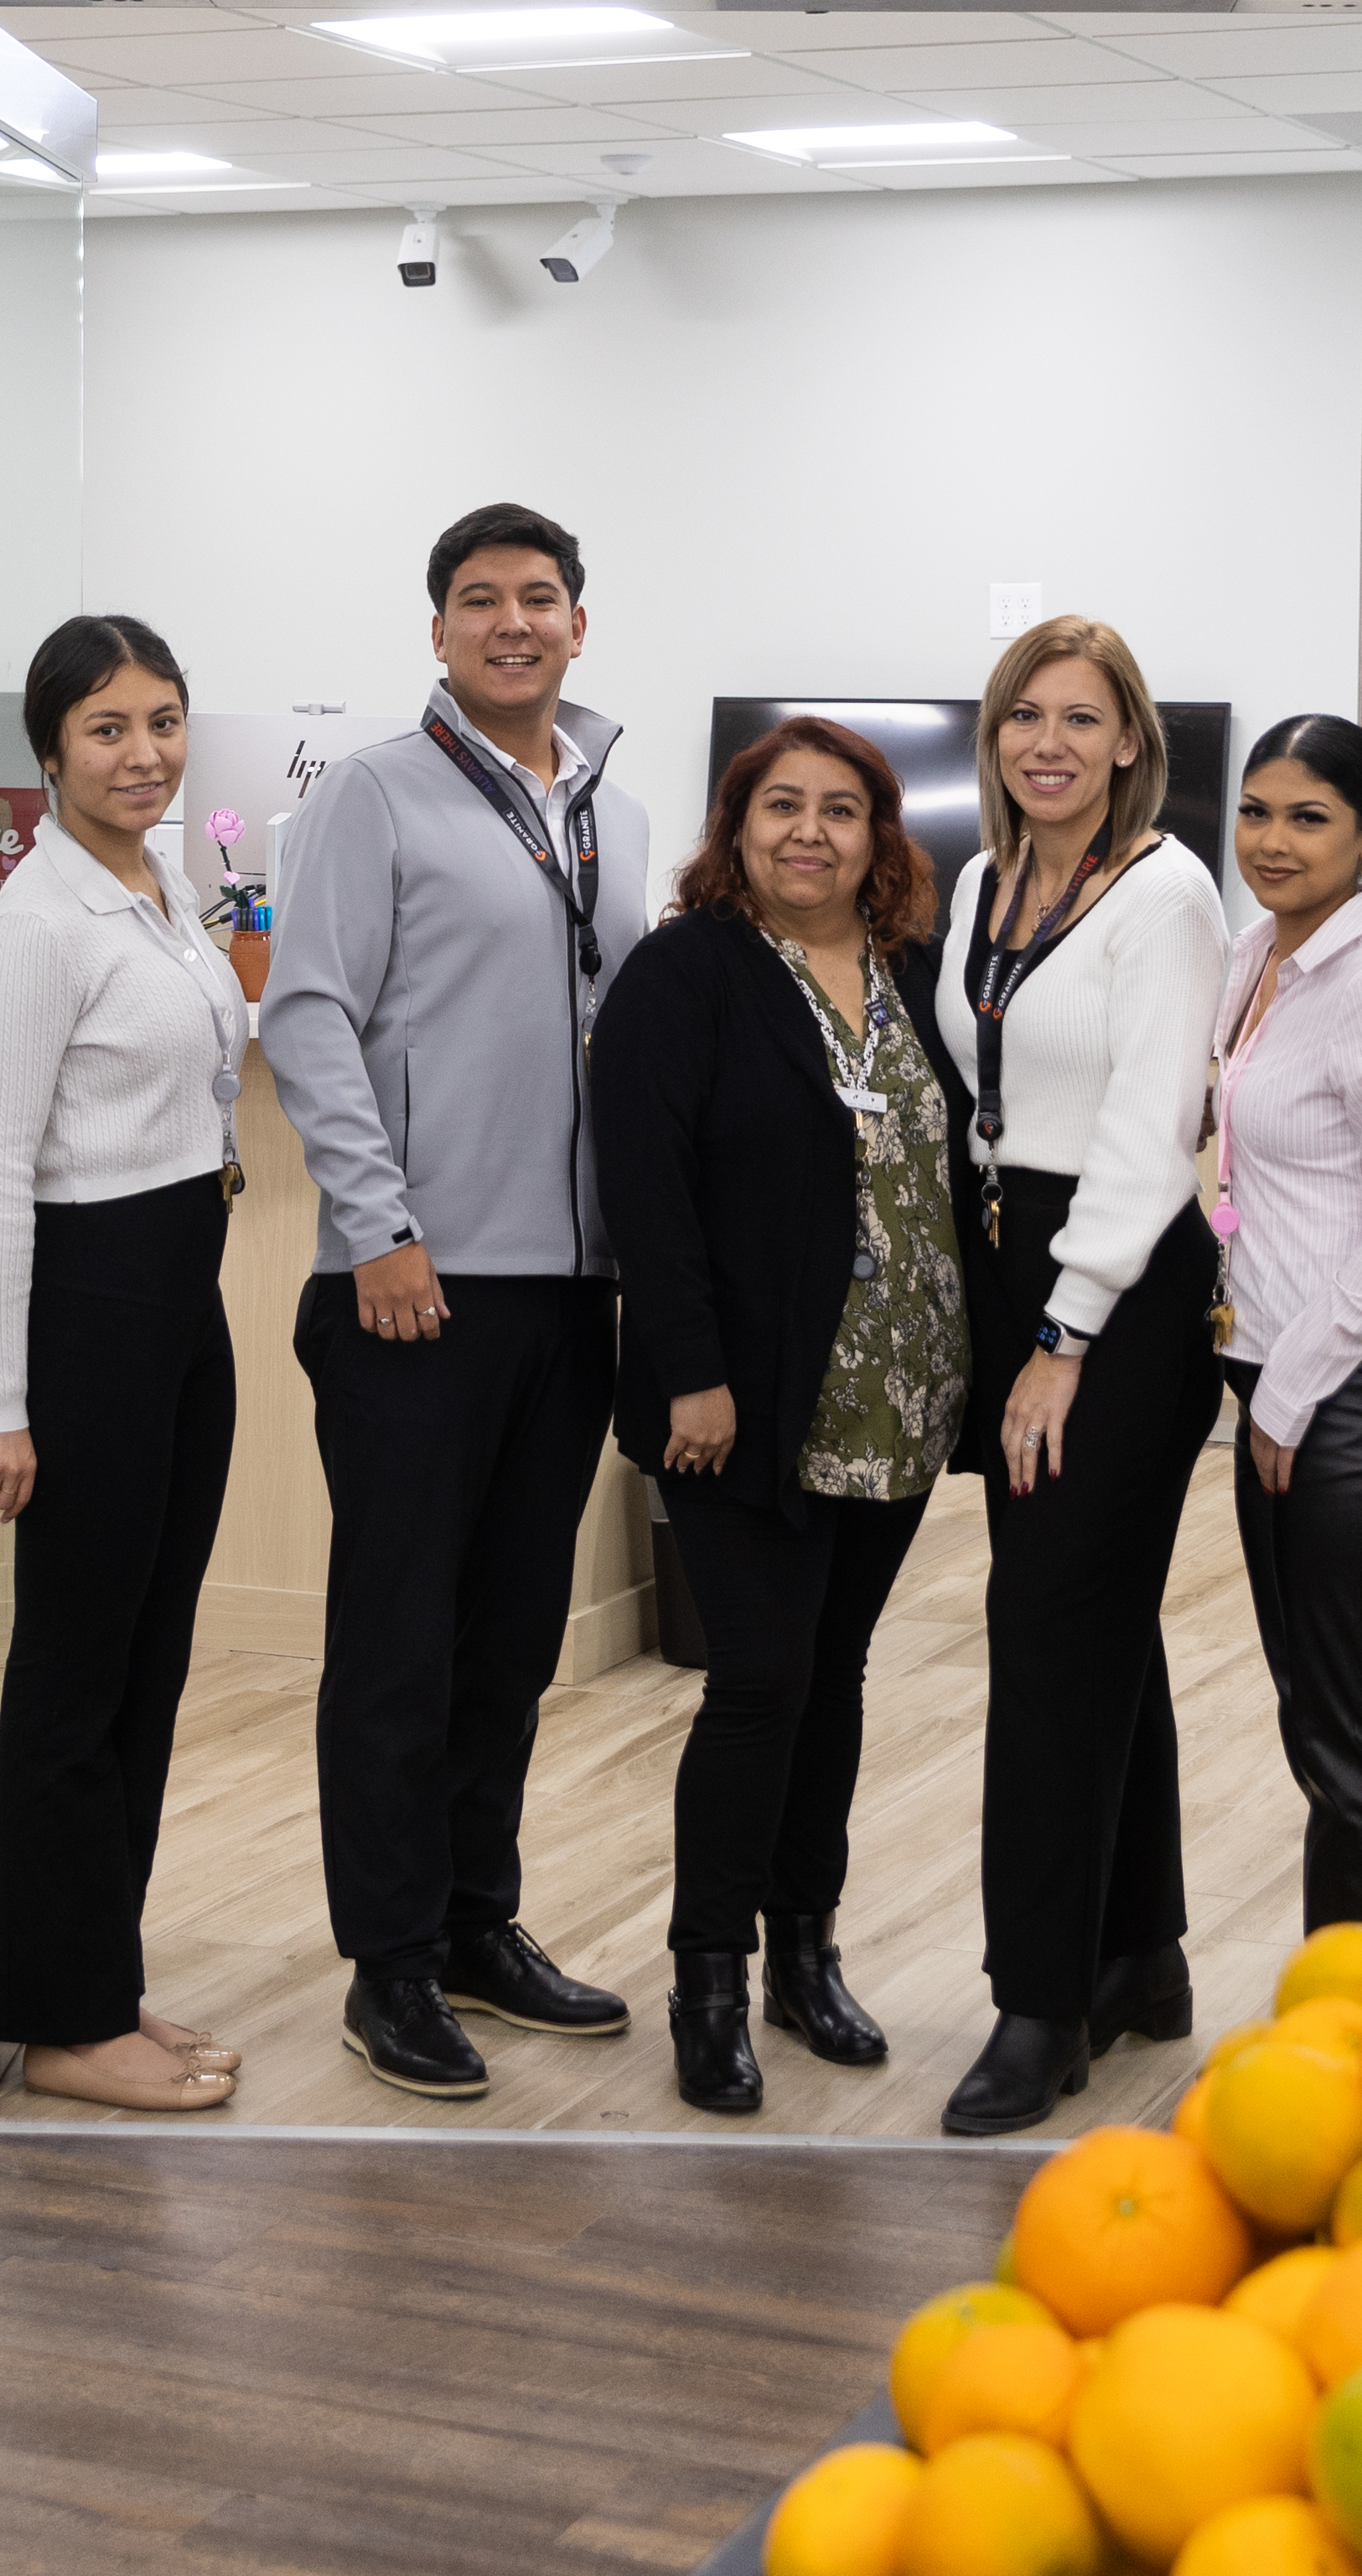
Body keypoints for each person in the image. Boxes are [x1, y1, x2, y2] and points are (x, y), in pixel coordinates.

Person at [260, 501, 656, 2100]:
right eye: (479, 600)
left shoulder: (612, 811)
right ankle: (392, 1962)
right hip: (413, 1291)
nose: (512, 623)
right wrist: (381, 1228)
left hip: (569, 1290)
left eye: (538, 598)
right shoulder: (372, 794)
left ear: (578, 624)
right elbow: (306, 1015)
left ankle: (479, 1920)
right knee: (399, 1646)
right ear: (438, 631)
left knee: (510, 1640)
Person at [588, 718, 967, 2114]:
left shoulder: (911, 971)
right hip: (745, 1404)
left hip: (897, 1396)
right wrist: (690, 1367)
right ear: (737, 827)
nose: (810, 832)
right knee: (758, 1680)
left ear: (879, 837)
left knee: (834, 1676)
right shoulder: (685, 972)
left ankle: (808, 1953)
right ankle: (709, 1980)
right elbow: (645, 1186)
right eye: (782, 806)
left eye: (841, 810)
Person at [933, 613, 1229, 2136]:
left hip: (1110, 1291)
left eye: (1081, 719)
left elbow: (1151, 1127)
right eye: (1023, 716)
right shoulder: (985, 881)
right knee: (1096, 1621)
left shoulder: (1166, 895)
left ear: (1129, 745)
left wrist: (1065, 1336)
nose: (1047, 743)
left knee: (1045, 1636)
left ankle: (1037, 2002)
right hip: (1013, 1266)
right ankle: (1141, 1954)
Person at [0, 614, 252, 2115]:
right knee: (75, 1676)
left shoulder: (160, 885)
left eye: (163, 722)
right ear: (51, 751)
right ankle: (60, 2021)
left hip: (180, 1302)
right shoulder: (38, 926)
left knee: (148, 1663)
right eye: (109, 729)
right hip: (89, 1310)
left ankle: (99, 1976)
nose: (145, 754)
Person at [1207, 714, 1362, 1938]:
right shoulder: (1254, 955)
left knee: (1350, 1733)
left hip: (1356, 1398)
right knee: (1320, 1723)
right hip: (1280, 1383)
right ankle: (1358, 1989)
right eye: (1256, 811)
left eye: (1308, 818)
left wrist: (1288, 1388)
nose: (1272, 840)